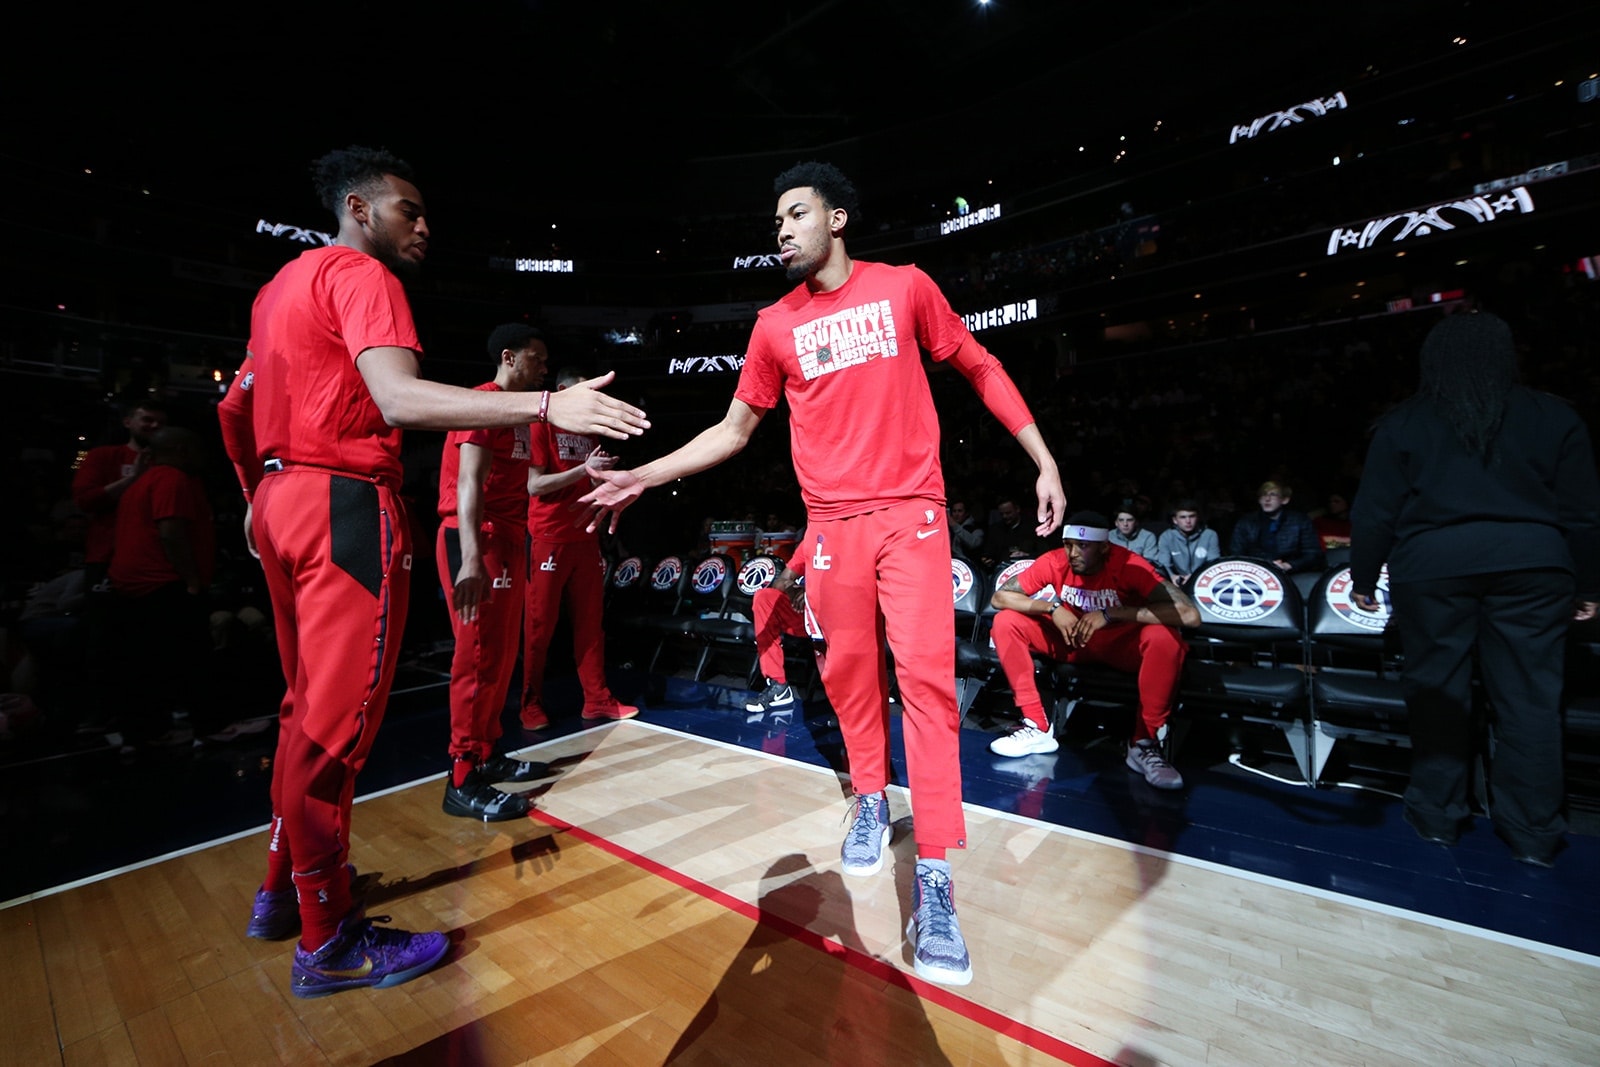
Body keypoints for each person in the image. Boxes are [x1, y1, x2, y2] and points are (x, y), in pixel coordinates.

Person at [579, 161, 1066, 986]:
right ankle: (870, 796)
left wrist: (1041, 458)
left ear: (837, 219)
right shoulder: (773, 325)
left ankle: (938, 877)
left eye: (795, 215)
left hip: (913, 512)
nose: (782, 231)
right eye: (776, 222)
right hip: (833, 525)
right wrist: (644, 474)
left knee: (928, 686)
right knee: (847, 675)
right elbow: (733, 431)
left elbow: (979, 364)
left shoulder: (905, 287)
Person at [215, 145, 648, 999]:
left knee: (302, 713)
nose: (424, 225)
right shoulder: (364, 278)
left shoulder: (277, 289)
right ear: (358, 207)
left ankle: (280, 892)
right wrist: (547, 403)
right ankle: (329, 938)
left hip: (281, 500)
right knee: (336, 731)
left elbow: (233, 406)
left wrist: (250, 493)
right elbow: (400, 402)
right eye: (408, 209)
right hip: (342, 503)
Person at [1350, 311, 1600, 867]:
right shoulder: (1554, 416)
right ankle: (1534, 834)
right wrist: (1587, 581)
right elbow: (1583, 515)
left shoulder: (1406, 421)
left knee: (1438, 694)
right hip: (1534, 565)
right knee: (1531, 700)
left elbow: (1374, 511)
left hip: (1433, 567)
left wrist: (1364, 577)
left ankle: (1438, 817)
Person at [434, 324, 553, 822]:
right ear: (509, 357)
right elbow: (468, 481)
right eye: (537, 357)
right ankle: (461, 777)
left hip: (507, 535)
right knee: (477, 656)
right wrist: (468, 557)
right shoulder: (481, 403)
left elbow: (526, 484)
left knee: (501, 656)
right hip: (476, 538)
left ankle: (485, 752)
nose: (544, 367)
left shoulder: (520, 416)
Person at [987, 511, 1198, 789]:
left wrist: (1112, 613)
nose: (1073, 553)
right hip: (1072, 639)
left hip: (1120, 646)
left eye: (1083, 546)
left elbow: (1189, 615)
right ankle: (1036, 726)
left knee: (1164, 638)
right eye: (1069, 544)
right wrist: (1052, 607)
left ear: (1104, 547)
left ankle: (1143, 743)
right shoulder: (1054, 560)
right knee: (1005, 621)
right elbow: (1000, 597)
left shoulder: (1130, 564)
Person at [520, 366, 639, 729]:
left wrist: (604, 474)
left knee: (591, 626)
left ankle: (597, 699)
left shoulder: (588, 431)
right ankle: (529, 704)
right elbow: (535, 486)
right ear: (562, 391)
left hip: (585, 539)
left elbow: (587, 477)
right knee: (539, 629)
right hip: (547, 539)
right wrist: (584, 471)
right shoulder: (539, 426)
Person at [106, 426, 215, 750]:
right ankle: (206, 728)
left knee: (144, 666)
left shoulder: (142, 481)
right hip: (162, 583)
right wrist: (192, 580)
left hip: (132, 585)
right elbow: (170, 532)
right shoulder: (172, 478)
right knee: (191, 660)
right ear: (182, 450)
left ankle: (144, 733)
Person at [744, 548, 809, 721]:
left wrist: (813, 594)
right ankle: (778, 684)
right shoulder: (811, 540)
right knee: (764, 597)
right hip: (806, 612)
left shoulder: (848, 537)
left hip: (838, 612)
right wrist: (793, 590)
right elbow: (781, 580)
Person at [1229, 480, 1324, 574]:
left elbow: (1313, 554)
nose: (1267, 499)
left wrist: (1288, 565)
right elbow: (1236, 555)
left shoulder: (1300, 520)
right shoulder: (1246, 522)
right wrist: (1262, 566)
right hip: (1256, 574)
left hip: (1294, 574)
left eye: (1273, 494)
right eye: (1263, 495)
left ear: (1285, 500)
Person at [1156, 499, 1221, 588]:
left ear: (1197, 517)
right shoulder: (1167, 537)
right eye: (1183, 517)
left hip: (1204, 581)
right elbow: (1163, 564)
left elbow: (1213, 564)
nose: (1188, 521)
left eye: (1192, 516)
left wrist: (1195, 576)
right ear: (1175, 520)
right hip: (1177, 583)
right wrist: (1171, 576)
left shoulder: (1209, 535)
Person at [984, 496, 1043, 565]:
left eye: (1008, 513)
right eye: (1001, 514)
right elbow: (988, 554)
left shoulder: (1033, 528)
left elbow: (1043, 552)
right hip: (1003, 570)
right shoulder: (995, 530)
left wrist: (1027, 555)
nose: (1004, 516)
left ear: (1017, 509)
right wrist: (988, 560)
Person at [947, 499, 984, 563]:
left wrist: (954, 525)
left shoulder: (976, 529)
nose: (956, 514)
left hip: (970, 566)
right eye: (954, 511)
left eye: (960, 511)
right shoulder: (948, 529)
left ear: (966, 513)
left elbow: (973, 544)